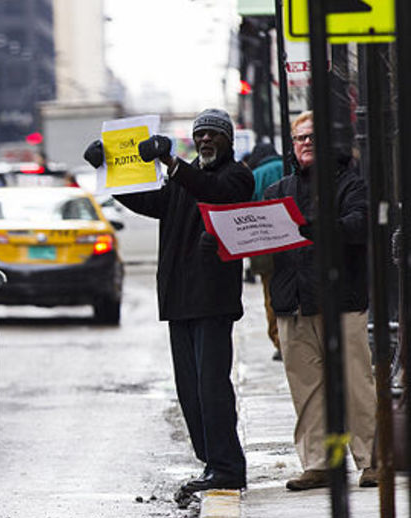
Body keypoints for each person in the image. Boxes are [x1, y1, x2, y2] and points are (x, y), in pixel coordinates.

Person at [84, 108, 252, 494]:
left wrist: (171, 162)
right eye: (200, 135)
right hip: (179, 298)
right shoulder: (181, 182)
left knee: (212, 386)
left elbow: (214, 192)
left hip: (212, 299)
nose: (206, 140)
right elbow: (149, 202)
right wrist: (108, 173)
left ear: (227, 140)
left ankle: (228, 465)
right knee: (189, 388)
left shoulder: (235, 176)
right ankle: (212, 462)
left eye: (213, 134)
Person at [262, 110, 378, 491]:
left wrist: (315, 228)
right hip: (294, 303)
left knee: (355, 382)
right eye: (300, 138)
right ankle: (320, 463)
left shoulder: (350, 185)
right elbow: (264, 246)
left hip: (339, 301)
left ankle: (371, 460)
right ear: (292, 147)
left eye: (314, 137)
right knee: (307, 389)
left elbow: (359, 226)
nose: (306, 143)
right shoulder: (278, 191)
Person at [245, 142, 285, 361]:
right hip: (293, 240)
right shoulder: (287, 166)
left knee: (271, 295)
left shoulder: (255, 176)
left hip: (264, 247)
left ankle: (279, 340)